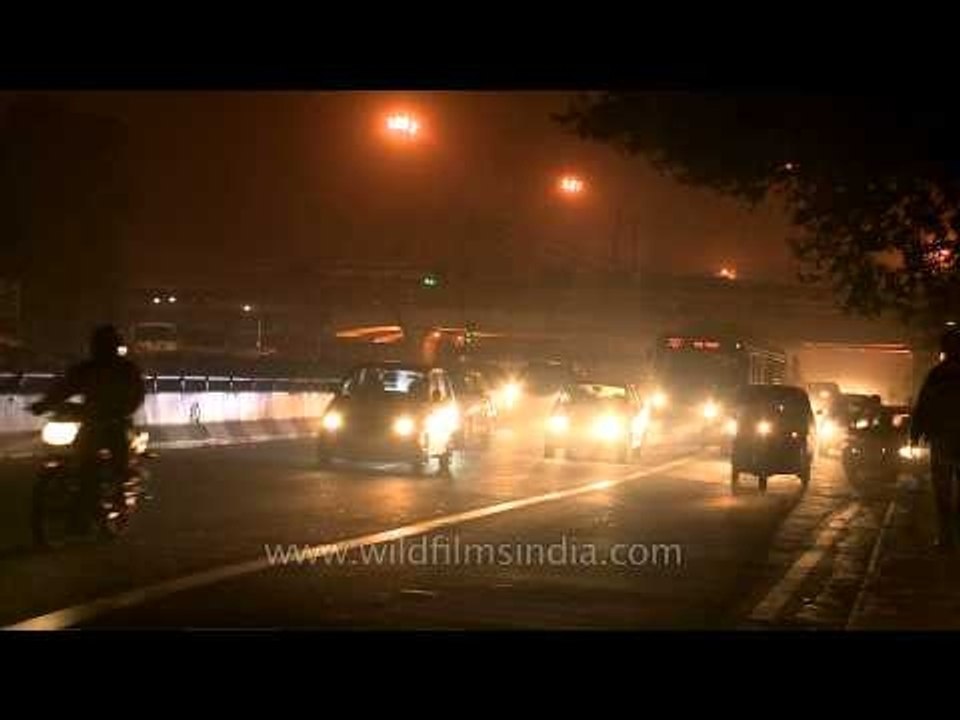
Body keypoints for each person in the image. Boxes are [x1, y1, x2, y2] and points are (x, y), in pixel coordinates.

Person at [31, 325, 145, 526]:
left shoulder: (127, 370)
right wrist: (44, 404)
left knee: (119, 462)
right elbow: (64, 388)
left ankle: (118, 495)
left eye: (105, 345)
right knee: (83, 460)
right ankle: (83, 503)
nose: (102, 349)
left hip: (115, 423)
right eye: (99, 345)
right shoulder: (85, 369)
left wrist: (118, 411)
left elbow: (136, 397)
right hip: (91, 423)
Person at [910, 327, 960, 550]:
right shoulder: (937, 375)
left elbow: (923, 407)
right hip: (946, 439)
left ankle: (947, 538)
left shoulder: (937, 375)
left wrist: (915, 434)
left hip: (942, 441)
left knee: (942, 491)